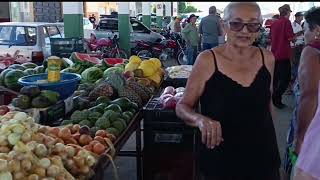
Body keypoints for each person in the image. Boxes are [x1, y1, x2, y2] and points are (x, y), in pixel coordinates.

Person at [176, 2, 281, 180]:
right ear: (224, 26)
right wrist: (200, 120)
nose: (245, 31)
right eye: (236, 23)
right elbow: (183, 106)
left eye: (253, 24)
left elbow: (267, 103)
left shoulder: (267, 58)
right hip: (220, 159)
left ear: (259, 28)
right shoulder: (207, 60)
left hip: (262, 155)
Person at [284, 7, 320, 178]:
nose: (304, 34)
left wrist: (300, 137)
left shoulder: (313, 52)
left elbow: (309, 97)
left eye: (306, 29)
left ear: (317, 31)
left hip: (314, 134)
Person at [270, 4, 296, 109]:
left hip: (274, 54)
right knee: (285, 79)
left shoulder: (274, 23)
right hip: (283, 54)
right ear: (287, 12)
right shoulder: (286, 22)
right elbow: (290, 38)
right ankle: (276, 99)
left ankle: (272, 98)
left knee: (276, 79)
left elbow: (271, 38)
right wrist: (295, 37)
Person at [290, 12, 305, 84]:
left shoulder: (301, 25)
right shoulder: (293, 25)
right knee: (295, 64)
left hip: (301, 45)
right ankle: (294, 81)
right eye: (301, 16)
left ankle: (297, 80)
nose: (302, 18)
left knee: (299, 64)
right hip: (295, 46)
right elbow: (292, 35)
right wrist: (302, 31)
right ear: (297, 17)